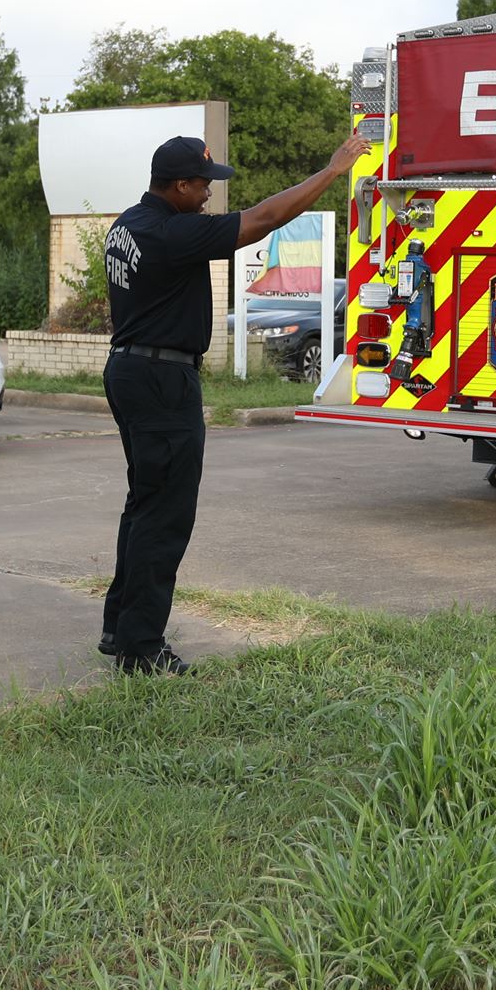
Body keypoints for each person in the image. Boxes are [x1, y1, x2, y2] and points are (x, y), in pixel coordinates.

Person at [97, 127, 370, 675]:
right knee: (165, 515)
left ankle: (120, 625)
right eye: (202, 186)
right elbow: (263, 219)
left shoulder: (130, 224)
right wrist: (333, 171)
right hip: (161, 380)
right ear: (177, 185)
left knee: (144, 505)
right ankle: (141, 648)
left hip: (130, 369)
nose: (208, 196)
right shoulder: (172, 235)